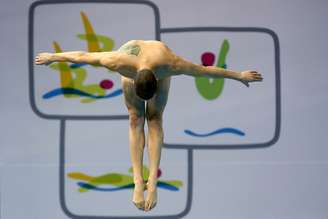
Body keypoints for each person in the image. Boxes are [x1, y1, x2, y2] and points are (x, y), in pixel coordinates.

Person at [35, 40, 263, 211]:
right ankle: (137, 181)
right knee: (136, 118)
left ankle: (152, 182)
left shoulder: (171, 64)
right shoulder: (116, 61)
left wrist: (239, 75)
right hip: (131, 64)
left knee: (154, 118)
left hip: (158, 63)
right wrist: (53, 56)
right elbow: (83, 55)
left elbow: (203, 71)